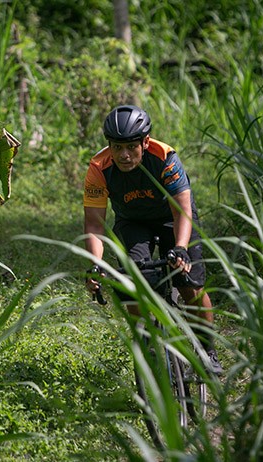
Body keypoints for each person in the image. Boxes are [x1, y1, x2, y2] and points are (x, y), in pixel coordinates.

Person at [83, 104, 223, 375]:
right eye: (117, 147)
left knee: (188, 283)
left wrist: (181, 248)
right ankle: (148, 347)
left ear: (144, 142)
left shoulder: (164, 157)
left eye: (132, 147)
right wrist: (95, 265)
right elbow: (94, 224)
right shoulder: (98, 168)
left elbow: (182, 210)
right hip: (133, 222)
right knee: (133, 280)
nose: (124, 155)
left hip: (174, 218)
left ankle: (208, 350)